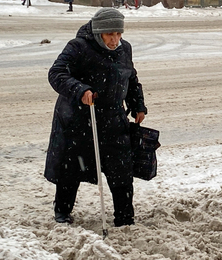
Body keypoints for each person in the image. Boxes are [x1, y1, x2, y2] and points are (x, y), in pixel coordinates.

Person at [44, 8, 147, 227]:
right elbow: (56, 73)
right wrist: (80, 90)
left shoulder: (124, 49)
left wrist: (138, 105)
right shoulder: (78, 47)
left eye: (118, 34)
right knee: (71, 169)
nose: (115, 39)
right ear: (99, 31)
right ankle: (62, 212)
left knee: (122, 170)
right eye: (110, 34)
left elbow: (131, 78)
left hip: (113, 118)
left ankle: (124, 218)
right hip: (80, 119)